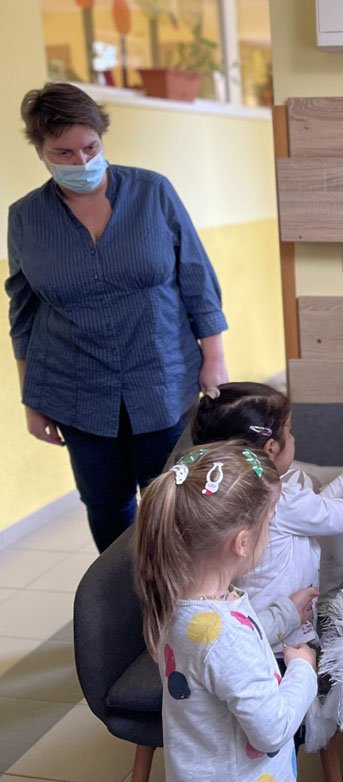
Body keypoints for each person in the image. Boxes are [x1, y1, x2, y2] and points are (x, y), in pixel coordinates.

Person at [6, 82, 228, 552]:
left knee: (174, 502)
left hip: (164, 379)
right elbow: (23, 313)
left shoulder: (152, 193)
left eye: (90, 147)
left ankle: (182, 607)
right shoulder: (25, 217)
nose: (82, 162)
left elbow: (197, 278)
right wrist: (32, 398)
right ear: (40, 152)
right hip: (77, 389)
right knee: (106, 507)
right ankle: (122, 609)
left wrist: (215, 359)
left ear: (103, 138)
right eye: (63, 152)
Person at [134, 442, 318, 782]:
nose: (272, 525)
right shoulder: (223, 636)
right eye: (271, 518)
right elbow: (272, 731)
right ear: (243, 543)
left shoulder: (180, 600)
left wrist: (286, 615)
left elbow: (224, 643)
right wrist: (303, 672)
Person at [189, 382, 343, 653]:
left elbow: (320, 506)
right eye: (289, 430)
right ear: (270, 449)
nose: (293, 438)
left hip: (247, 633)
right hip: (282, 643)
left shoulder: (229, 494)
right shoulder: (277, 499)